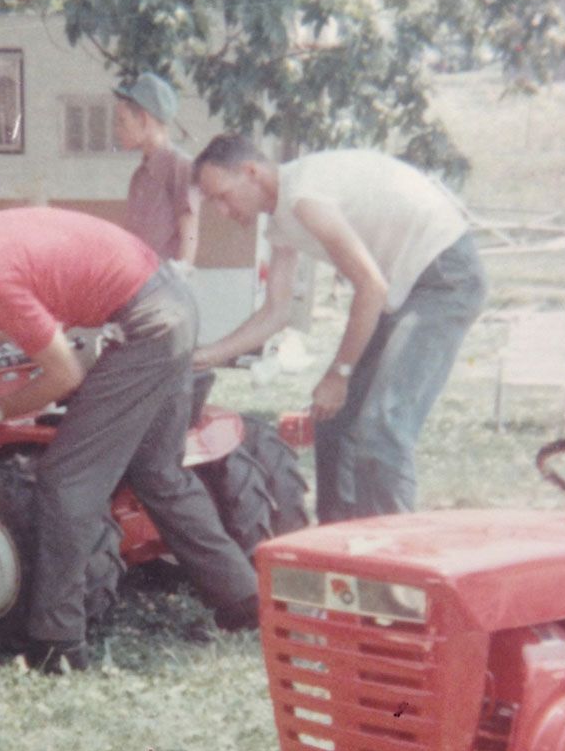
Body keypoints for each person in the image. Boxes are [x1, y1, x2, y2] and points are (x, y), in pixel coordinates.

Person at [0, 208, 259, 672]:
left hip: (145, 324)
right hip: (173, 303)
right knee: (158, 471)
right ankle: (244, 599)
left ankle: (56, 641)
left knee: (66, 480)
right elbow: (29, 316)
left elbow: (64, 373)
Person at [192, 134, 488, 523]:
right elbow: (276, 313)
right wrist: (205, 356)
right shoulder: (282, 221)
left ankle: (392, 567)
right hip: (401, 283)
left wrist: (340, 373)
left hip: (443, 275)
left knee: (382, 430)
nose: (221, 211)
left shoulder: (305, 199)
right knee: (333, 422)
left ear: (251, 173)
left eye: (222, 196)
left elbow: (371, 286)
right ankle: (337, 546)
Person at [114, 72, 201, 263]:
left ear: (144, 119)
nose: (117, 130)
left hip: (164, 282)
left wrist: (180, 279)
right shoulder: (140, 175)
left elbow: (190, 235)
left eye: (122, 121)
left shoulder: (180, 166)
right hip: (138, 281)